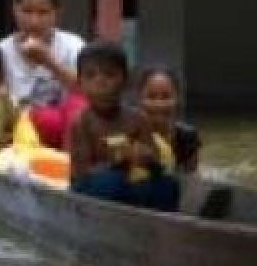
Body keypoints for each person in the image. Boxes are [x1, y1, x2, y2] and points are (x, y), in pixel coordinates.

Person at [67, 42, 179, 212]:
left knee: (167, 185)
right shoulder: (81, 122)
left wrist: (145, 156)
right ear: (80, 83)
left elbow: (155, 160)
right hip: (92, 189)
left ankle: (162, 224)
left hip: (132, 184)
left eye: (109, 75)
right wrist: (118, 161)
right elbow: (82, 172)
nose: (100, 82)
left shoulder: (137, 119)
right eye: (90, 76)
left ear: (125, 81)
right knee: (112, 182)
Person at [0, 0, 86, 150]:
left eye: (43, 12)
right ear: (15, 10)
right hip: (19, 129)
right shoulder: (0, 52)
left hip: (67, 130)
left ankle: (71, 165)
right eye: (27, 11)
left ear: (57, 13)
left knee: (78, 104)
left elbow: (89, 91)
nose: (34, 21)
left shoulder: (73, 45)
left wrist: (49, 62)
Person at [136, 65, 201, 174]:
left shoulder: (187, 137)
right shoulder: (129, 134)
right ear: (140, 100)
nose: (159, 104)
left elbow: (191, 178)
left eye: (166, 97)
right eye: (151, 97)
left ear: (177, 100)